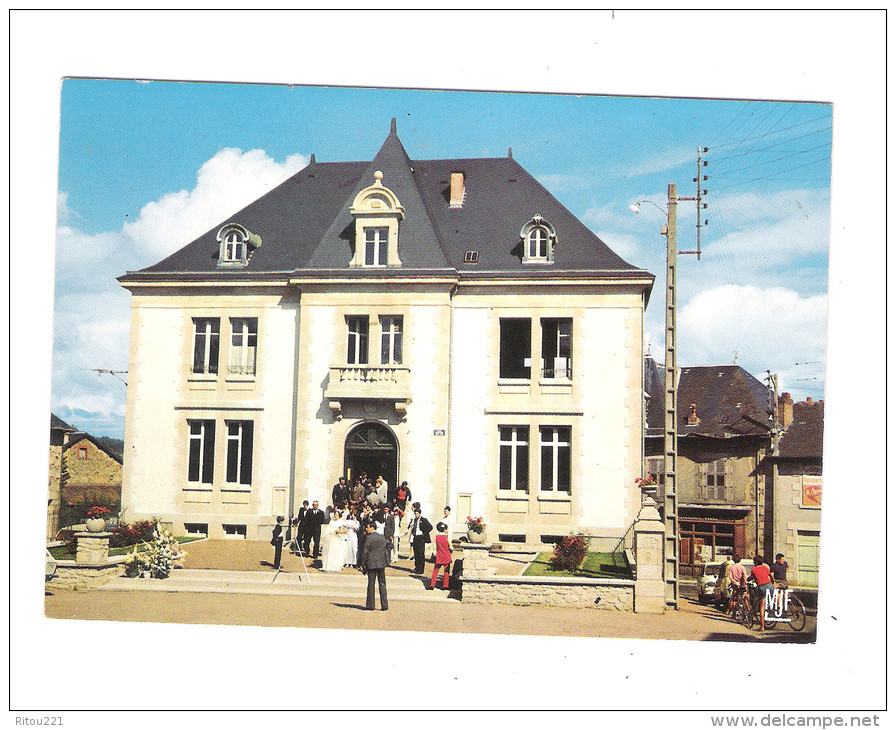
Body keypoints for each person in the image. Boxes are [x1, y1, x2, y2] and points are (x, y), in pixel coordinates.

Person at [360, 522, 390, 611]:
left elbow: (365, 552)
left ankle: (370, 605)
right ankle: (384, 605)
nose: (366, 529)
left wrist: (362, 564)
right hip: (381, 563)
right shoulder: (382, 537)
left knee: (371, 584)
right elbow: (389, 545)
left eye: (367, 527)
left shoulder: (369, 538)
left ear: (372, 527)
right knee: (382, 584)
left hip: (371, 563)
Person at [750, 555, 775, 631]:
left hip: (762, 588)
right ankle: (779, 605)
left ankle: (762, 627)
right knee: (776, 592)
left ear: (756, 562)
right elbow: (771, 576)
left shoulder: (753, 569)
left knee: (762, 607)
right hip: (769, 586)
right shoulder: (765, 568)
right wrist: (773, 583)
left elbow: (752, 577)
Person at [409, 506, 433, 574]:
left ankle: (421, 569)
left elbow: (430, 527)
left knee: (421, 554)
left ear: (419, 514)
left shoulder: (423, 520)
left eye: (417, 513)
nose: (416, 515)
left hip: (421, 537)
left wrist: (424, 532)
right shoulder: (414, 520)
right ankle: (417, 567)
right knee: (416, 553)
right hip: (415, 537)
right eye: (415, 513)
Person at [429, 522, 453, 590]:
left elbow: (434, 547)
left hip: (439, 555)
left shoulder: (436, 537)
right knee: (446, 571)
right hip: (446, 555)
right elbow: (450, 547)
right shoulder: (447, 537)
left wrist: (434, 553)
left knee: (435, 570)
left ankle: (432, 584)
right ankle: (445, 585)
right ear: (444, 529)